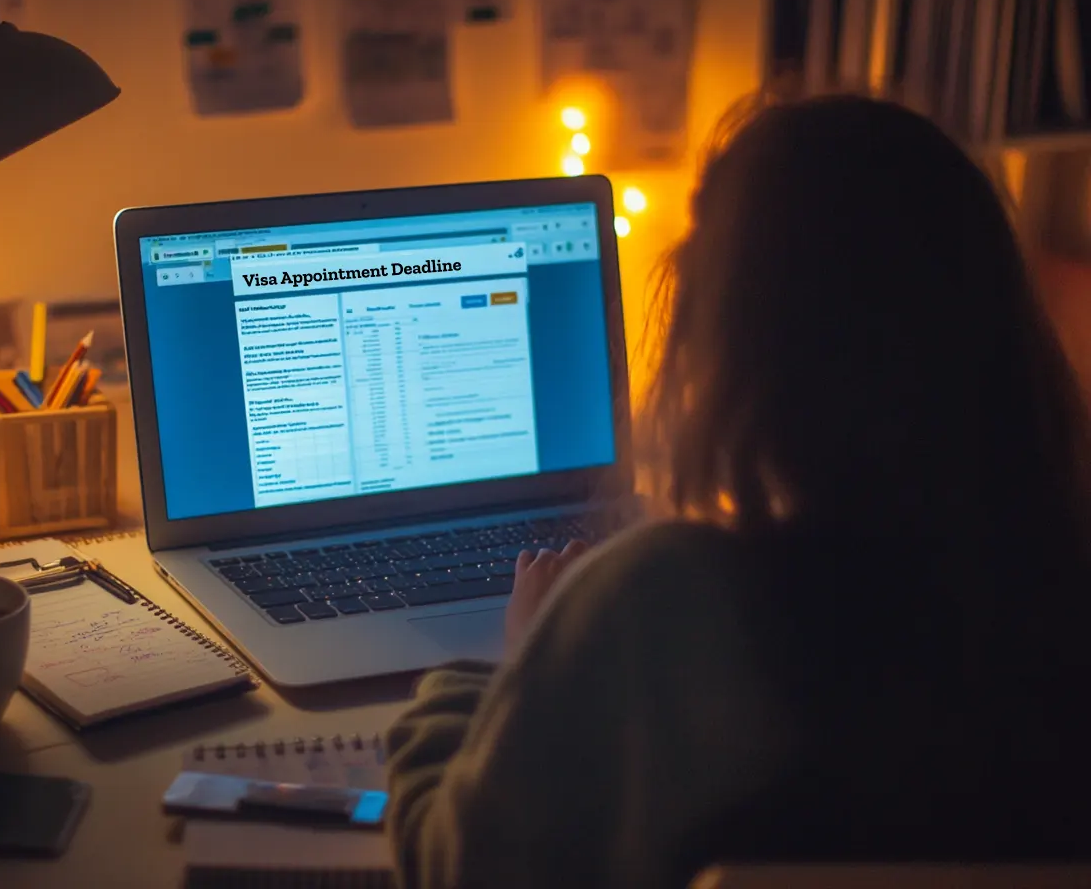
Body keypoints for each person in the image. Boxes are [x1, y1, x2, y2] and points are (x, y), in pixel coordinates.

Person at [383, 94, 1091, 889]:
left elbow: (457, 867)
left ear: (733, 340)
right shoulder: (1058, 581)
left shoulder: (662, 601)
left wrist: (498, 671)